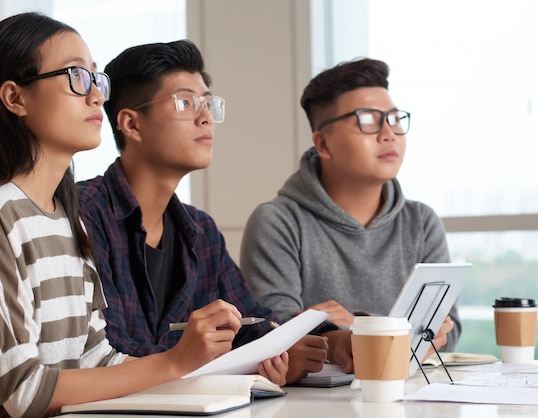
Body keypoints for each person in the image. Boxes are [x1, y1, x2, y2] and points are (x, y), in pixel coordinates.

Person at [0, 13, 287, 417]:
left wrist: (203, 372)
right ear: (15, 98)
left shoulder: (66, 218)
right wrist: (175, 361)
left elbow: (98, 360)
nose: (96, 96)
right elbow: (23, 390)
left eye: (97, 79)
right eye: (77, 76)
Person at [77, 40, 354, 384]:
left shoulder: (200, 230)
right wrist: (240, 360)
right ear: (132, 125)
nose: (205, 116)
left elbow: (253, 322)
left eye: (208, 103)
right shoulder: (84, 215)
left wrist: (331, 339)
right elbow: (110, 351)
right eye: (185, 102)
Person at [239, 57, 460, 354]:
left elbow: (448, 330)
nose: (389, 133)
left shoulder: (421, 221)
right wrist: (402, 333)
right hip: (313, 400)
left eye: (395, 119)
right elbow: (273, 332)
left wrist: (357, 325)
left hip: (410, 393)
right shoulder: (278, 221)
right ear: (323, 144)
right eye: (367, 121)